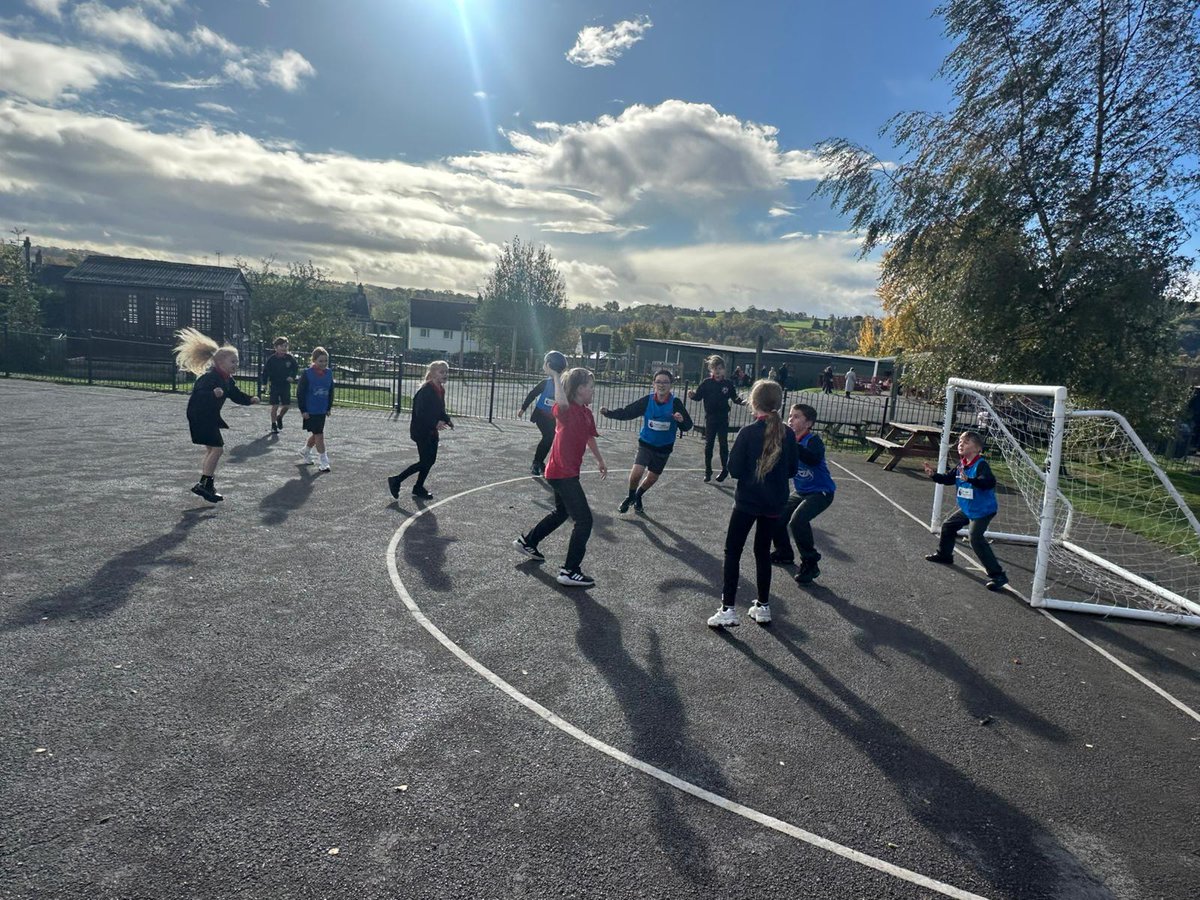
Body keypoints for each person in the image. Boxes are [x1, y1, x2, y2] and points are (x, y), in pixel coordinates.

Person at [706, 380, 798, 627]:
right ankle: (763, 605)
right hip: (774, 503)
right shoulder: (788, 433)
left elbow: (733, 469)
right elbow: (792, 470)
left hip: (747, 501)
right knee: (762, 552)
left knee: (733, 551)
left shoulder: (748, 433)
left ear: (754, 403)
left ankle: (728, 608)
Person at [513, 365, 608, 587]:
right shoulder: (565, 410)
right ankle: (570, 570)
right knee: (584, 520)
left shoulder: (586, 412)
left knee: (561, 512)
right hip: (562, 473)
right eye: (591, 387)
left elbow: (589, 437)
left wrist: (600, 460)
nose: (593, 391)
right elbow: (563, 401)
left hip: (564, 472)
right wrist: (556, 376)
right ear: (578, 389)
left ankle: (528, 541)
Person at [175, 327, 260, 503]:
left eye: (237, 362)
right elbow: (198, 396)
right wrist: (212, 394)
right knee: (218, 449)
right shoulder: (209, 378)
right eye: (233, 362)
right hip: (200, 416)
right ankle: (204, 484)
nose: (236, 365)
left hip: (208, 417)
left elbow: (236, 395)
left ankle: (207, 484)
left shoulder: (227, 380)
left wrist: (249, 399)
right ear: (220, 363)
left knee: (212, 450)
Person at [923, 431, 1009, 591]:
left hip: (983, 510)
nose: (961, 444)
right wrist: (934, 475)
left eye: (966, 442)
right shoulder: (961, 464)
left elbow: (989, 482)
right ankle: (945, 555)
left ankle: (998, 575)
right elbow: (949, 478)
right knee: (948, 526)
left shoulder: (981, 465)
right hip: (968, 508)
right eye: (960, 441)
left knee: (975, 537)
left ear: (977, 449)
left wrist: (970, 480)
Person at [601, 369, 693, 514]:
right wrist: (609, 413)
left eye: (665, 382)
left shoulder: (675, 403)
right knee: (636, 473)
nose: (661, 385)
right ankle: (630, 497)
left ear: (671, 385)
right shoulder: (647, 400)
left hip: (664, 448)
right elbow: (628, 412)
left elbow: (688, 426)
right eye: (658, 382)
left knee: (651, 479)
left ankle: (638, 496)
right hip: (646, 443)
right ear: (653, 384)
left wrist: (681, 421)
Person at [771, 403, 835, 583]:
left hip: (821, 492)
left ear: (808, 424)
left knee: (798, 520)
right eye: (790, 416)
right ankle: (784, 552)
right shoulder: (789, 442)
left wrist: (792, 444)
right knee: (776, 516)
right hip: (801, 491)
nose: (791, 419)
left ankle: (810, 562)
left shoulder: (813, 441)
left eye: (796, 416)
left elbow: (813, 459)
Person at [388, 360, 452, 500]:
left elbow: (440, 409)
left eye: (446, 372)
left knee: (430, 460)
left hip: (432, 432)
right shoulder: (426, 391)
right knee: (425, 461)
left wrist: (446, 419)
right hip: (422, 431)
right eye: (442, 372)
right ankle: (396, 480)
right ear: (433, 374)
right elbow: (420, 413)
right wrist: (435, 423)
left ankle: (418, 487)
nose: (445, 374)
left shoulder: (440, 389)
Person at [688, 354, 745, 482]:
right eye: (715, 368)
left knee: (723, 444)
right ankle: (708, 471)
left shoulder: (728, 384)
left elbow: (734, 398)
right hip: (711, 418)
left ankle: (725, 469)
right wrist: (692, 395)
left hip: (723, 417)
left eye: (720, 368)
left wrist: (742, 402)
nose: (718, 371)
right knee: (709, 445)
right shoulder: (706, 383)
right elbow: (698, 397)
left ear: (724, 370)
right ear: (711, 370)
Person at [297, 347, 335, 473]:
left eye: (325, 361)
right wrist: (303, 410)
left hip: (322, 409)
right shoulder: (307, 373)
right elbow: (300, 392)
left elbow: (331, 391)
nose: (323, 364)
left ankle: (305, 451)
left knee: (316, 433)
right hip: (310, 410)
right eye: (320, 361)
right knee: (319, 435)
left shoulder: (329, 373)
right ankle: (324, 461)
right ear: (314, 360)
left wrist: (328, 407)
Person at [517, 373, 558, 476]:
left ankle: (540, 461)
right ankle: (536, 463)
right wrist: (523, 408)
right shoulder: (545, 383)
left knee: (550, 438)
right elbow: (533, 394)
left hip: (553, 417)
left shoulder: (563, 385)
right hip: (541, 414)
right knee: (548, 436)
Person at [259, 336, 298, 434]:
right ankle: (273, 425)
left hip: (285, 385)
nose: (283, 348)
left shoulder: (290, 358)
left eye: (285, 346)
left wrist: (292, 377)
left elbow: (295, 368)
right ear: (276, 347)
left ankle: (279, 417)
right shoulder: (272, 359)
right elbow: (266, 372)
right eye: (281, 346)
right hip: (275, 385)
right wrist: (264, 384)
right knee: (275, 405)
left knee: (286, 406)